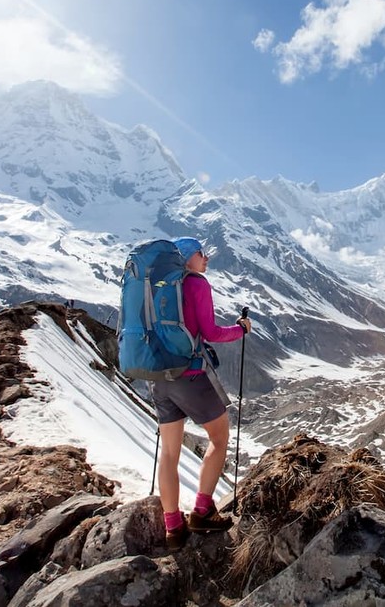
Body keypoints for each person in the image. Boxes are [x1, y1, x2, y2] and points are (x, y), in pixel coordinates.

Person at [154, 236, 251, 551]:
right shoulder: (196, 284)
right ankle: (202, 511)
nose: (206, 258)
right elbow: (210, 332)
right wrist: (241, 329)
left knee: (169, 453)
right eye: (200, 253)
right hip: (190, 375)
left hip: (158, 377)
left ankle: (173, 528)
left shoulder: (157, 287)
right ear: (186, 258)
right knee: (220, 438)